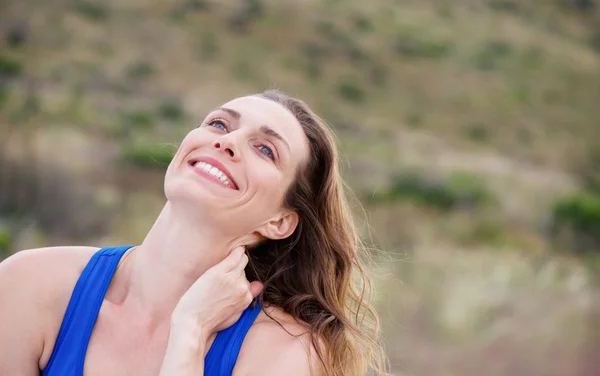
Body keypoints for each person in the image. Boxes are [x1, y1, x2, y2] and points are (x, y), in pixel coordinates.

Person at [0, 90, 388, 375]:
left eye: (266, 149)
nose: (228, 142)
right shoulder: (30, 284)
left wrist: (190, 335)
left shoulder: (285, 352)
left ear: (279, 222)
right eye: (219, 124)